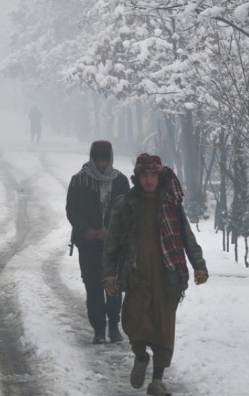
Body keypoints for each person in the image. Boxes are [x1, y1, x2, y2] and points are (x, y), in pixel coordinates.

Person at [102, 153, 208, 396]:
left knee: (164, 328)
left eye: (153, 176)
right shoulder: (125, 204)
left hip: (168, 277)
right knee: (133, 322)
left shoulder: (171, 203)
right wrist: (109, 274)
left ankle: (157, 381)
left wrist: (199, 265)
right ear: (137, 177)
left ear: (159, 178)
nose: (149, 180)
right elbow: (112, 244)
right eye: (144, 176)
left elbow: (187, 237)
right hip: (136, 276)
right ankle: (141, 357)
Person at [66, 141, 130, 344]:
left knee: (114, 287)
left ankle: (114, 326)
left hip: (114, 246)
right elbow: (71, 210)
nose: (101, 164)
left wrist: (109, 231)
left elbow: (127, 210)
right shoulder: (79, 180)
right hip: (88, 245)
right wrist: (85, 229)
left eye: (104, 160)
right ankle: (99, 329)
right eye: (97, 160)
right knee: (93, 287)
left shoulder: (120, 181)